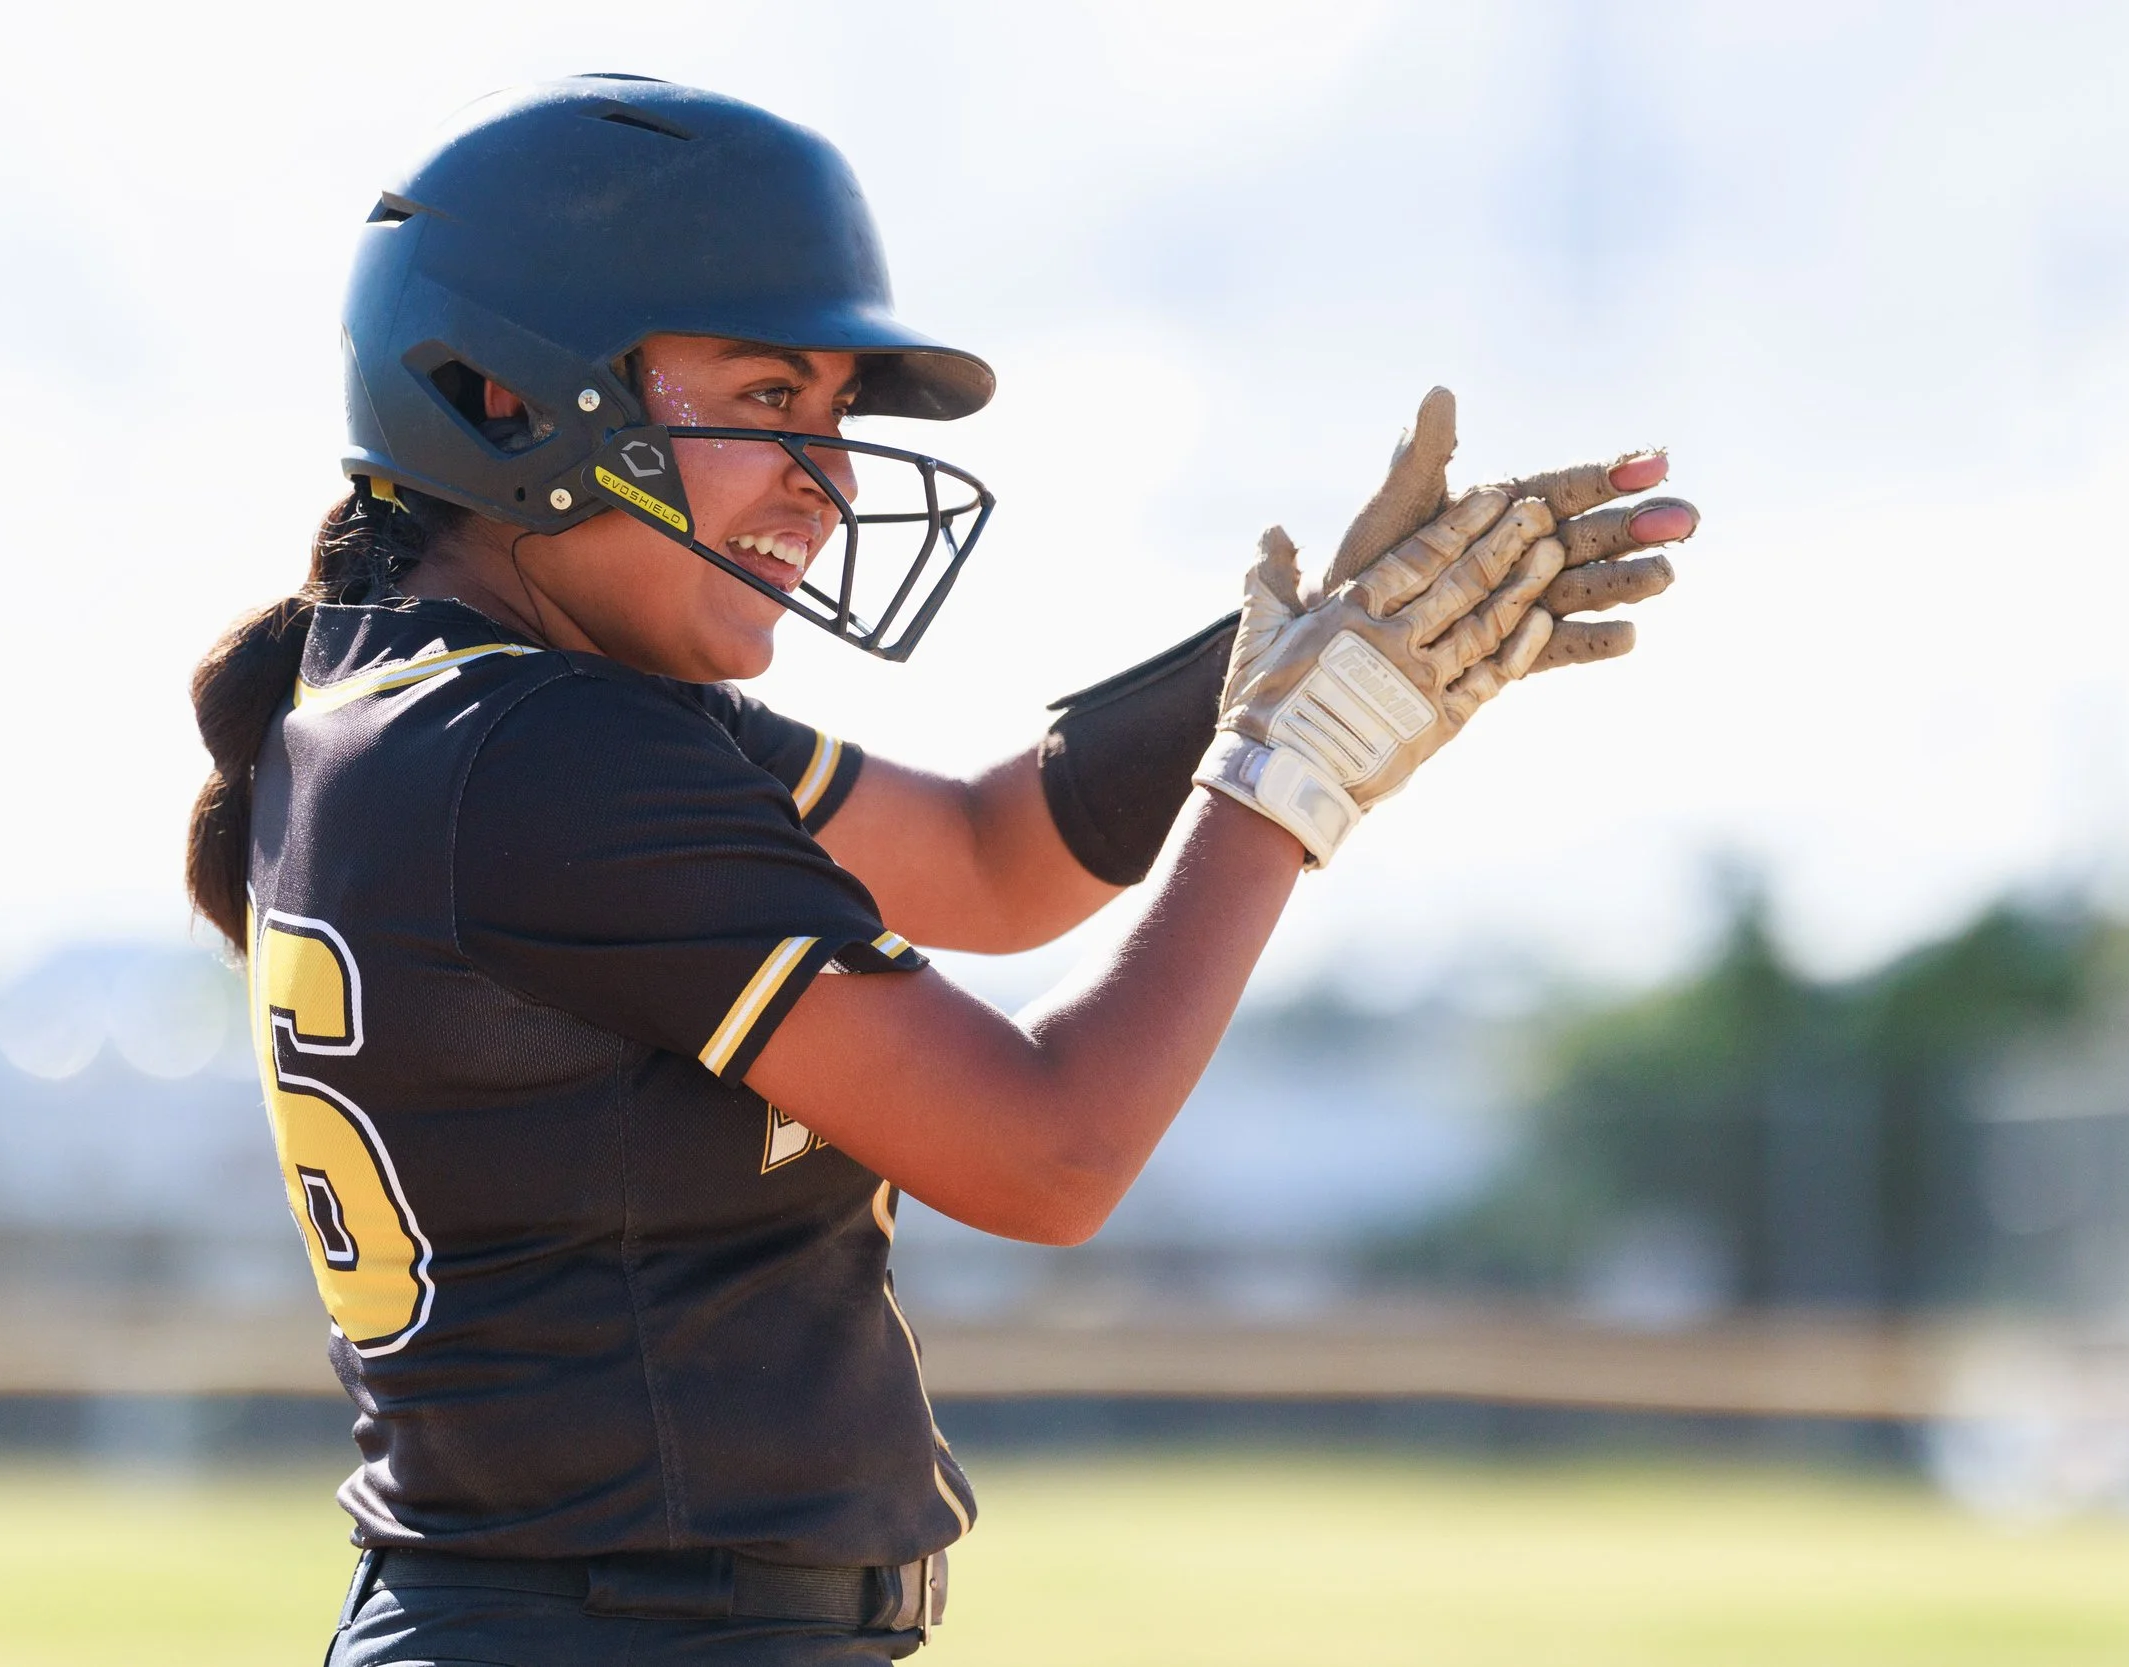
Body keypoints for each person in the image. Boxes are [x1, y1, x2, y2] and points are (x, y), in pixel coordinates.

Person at [184, 74, 1698, 1666]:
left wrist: (1290, 645)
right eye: (769, 401)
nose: (827, 479)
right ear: (506, 396)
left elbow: (993, 856)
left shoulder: (433, 705)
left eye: (834, 416)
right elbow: (1051, 1153)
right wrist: (1293, 766)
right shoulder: (544, 751)